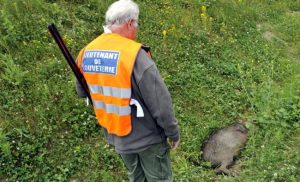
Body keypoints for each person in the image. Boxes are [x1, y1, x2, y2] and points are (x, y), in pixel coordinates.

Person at [75, 0, 180, 181]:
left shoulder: (86, 52)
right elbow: (161, 104)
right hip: (148, 140)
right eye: (136, 25)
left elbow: (83, 92)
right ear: (130, 23)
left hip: (117, 136)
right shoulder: (135, 55)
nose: (136, 30)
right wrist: (172, 132)